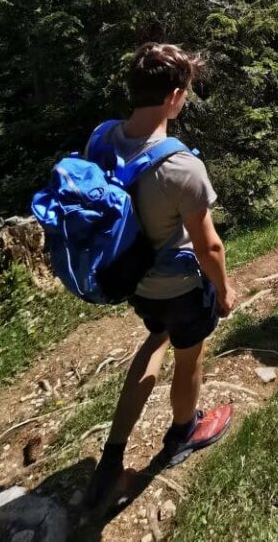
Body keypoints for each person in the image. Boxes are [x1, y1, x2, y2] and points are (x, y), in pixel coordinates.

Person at [85, 42, 236, 509]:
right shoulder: (180, 167)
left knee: (154, 341)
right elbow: (209, 244)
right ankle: (183, 432)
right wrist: (225, 290)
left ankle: (112, 457)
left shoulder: (101, 138)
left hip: (136, 283)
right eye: (185, 91)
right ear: (173, 96)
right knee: (189, 358)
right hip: (182, 288)